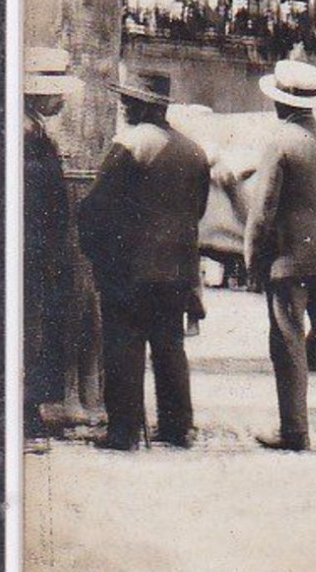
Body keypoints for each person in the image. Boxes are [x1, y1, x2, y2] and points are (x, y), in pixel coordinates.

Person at [77, 74, 211, 450]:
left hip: (129, 267)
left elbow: (97, 205)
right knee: (170, 345)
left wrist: (97, 252)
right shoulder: (194, 150)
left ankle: (124, 431)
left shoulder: (131, 144)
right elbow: (197, 210)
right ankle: (178, 426)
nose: (125, 109)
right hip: (178, 268)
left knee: (124, 343)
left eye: (130, 103)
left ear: (146, 107)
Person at [244, 59, 316, 452]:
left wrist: (252, 257)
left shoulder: (281, 142)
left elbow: (262, 210)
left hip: (288, 258)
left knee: (288, 340)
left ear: (282, 103)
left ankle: (294, 430)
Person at [23, 48, 84, 446]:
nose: (61, 101)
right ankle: (22, 414)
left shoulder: (34, 129)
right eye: (56, 94)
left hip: (37, 247)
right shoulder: (27, 134)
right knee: (27, 328)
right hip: (31, 248)